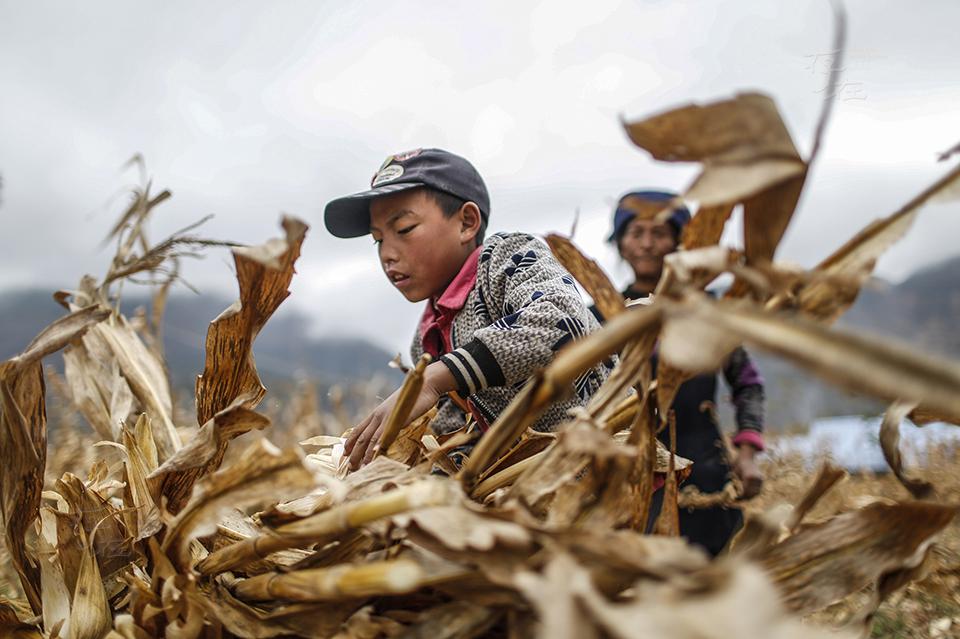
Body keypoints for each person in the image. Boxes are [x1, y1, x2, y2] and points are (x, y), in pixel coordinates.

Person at [323, 148, 609, 470]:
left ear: (467, 223)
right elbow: (459, 433)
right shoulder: (427, 339)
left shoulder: (507, 258)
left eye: (403, 229)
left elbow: (561, 321)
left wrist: (434, 379)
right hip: (537, 492)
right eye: (378, 240)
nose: (387, 254)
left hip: (609, 466)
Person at [594, 189, 766, 556]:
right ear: (621, 243)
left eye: (659, 233)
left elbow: (748, 384)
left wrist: (747, 454)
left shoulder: (708, 312)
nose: (647, 244)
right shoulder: (604, 316)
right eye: (636, 233)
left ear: (680, 243)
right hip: (625, 477)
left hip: (704, 478)